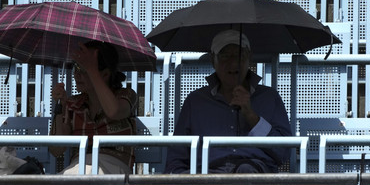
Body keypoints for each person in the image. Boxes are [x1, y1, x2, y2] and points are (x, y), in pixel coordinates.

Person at [165, 29, 292, 174]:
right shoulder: (195, 101)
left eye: (239, 56)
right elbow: (176, 158)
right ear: (213, 60)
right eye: (225, 56)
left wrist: (251, 116)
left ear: (249, 58)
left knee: (246, 170)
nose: (233, 64)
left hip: (254, 179)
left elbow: (283, 153)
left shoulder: (269, 97)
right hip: (207, 179)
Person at [51, 40, 138, 174]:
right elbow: (56, 150)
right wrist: (59, 108)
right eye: (76, 67)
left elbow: (114, 112)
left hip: (115, 166)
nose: (76, 74)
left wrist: (92, 71)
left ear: (105, 74)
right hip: (80, 166)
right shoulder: (73, 104)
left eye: (84, 68)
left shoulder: (125, 95)